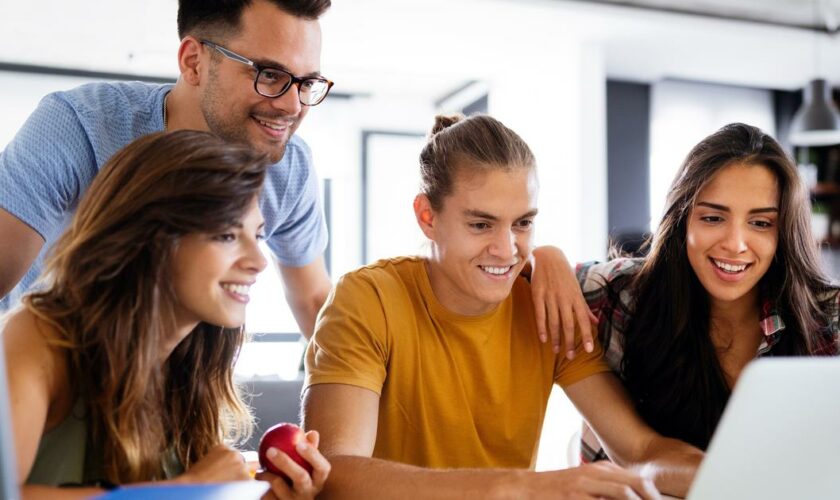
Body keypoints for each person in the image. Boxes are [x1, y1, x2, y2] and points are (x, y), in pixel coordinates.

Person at [302, 114, 704, 499]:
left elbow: (641, 450)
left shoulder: (545, 307)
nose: (506, 249)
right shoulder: (368, 300)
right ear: (427, 217)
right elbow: (336, 474)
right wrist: (525, 488)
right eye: (481, 224)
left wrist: (739, 477)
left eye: (523, 223)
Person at [2, 131, 331, 498]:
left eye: (257, 235)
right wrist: (186, 490)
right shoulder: (38, 337)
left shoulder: (193, 367)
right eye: (226, 235)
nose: (257, 262)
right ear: (150, 239)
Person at [0, 0, 334, 339]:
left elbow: (313, 303)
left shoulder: (289, 168)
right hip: (49, 364)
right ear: (193, 62)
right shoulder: (80, 125)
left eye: (306, 83)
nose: (292, 106)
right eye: (270, 75)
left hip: (183, 380)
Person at [570, 123, 839, 462]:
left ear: (784, 233)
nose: (735, 244)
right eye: (712, 218)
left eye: (760, 223)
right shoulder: (621, 294)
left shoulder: (829, 319)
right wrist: (545, 258)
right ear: (682, 220)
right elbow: (517, 273)